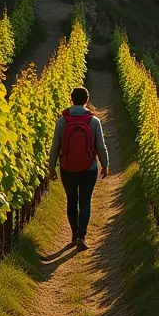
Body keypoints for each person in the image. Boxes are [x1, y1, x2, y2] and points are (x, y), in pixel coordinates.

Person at [48, 86, 109, 250]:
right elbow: (100, 146)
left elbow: (55, 147)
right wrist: (105, 164)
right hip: (89, 168)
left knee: (71, 200)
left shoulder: (62, 121)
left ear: (71, 99)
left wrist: (52, 167)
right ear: (87, 100)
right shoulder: (93, 121)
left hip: (67, 168)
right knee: (85, 201)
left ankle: (74, 234)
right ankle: (82, 235)